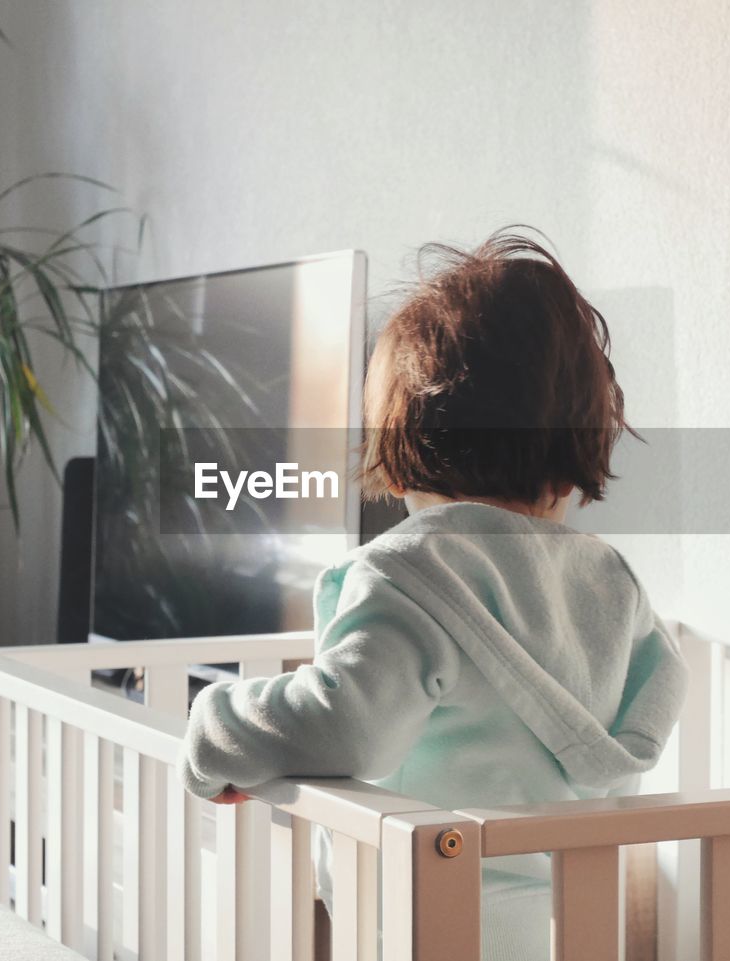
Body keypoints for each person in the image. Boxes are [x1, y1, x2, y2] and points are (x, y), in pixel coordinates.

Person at [177, 227, 688, 959]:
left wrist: (215, 723)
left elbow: (343, 725)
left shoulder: (405, 572)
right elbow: (662, 690)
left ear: (408, 441)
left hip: (424, 928)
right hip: (571, 930)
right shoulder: (612, 581)